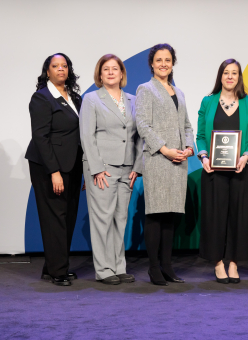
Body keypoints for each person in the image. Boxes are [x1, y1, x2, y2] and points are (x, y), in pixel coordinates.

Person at [196, 59, 248, 284]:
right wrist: (203, 156)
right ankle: (217, 263)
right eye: (226, 73)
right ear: (220, 76)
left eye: (234, 73)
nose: (230, 77)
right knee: (214, 218)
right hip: (213, 171)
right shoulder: (208, 102)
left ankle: (233, 262)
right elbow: (200, 137)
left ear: (239, 77)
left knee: (239, 217)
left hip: (240, 170)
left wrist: (246, 156)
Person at [80, 54, 143, 285]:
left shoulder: (133, 100)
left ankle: (118, 266)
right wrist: (95, 169)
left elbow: (139, 137)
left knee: (120, 219)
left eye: (114, 68)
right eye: (105, 69)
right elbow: (87, 135)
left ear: (122, 73)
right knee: (103, 219)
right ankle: (104, 269)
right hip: (103, 168)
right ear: (100, 73)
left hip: (128, 168)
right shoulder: (92, 99)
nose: (110, 72)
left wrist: (138, 166)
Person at [135, 44, 194, 285]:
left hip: (179, 161)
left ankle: (167, 266)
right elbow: (142, 124)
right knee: (156, 215)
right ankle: (153, 268)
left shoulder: (178, 92)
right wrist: (165, 149)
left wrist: (189, 148)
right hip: (159, 159)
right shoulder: (145, 89)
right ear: (152, 63)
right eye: (158, 60)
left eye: (167, 60)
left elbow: (187, 125)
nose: (163, 64)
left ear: (172, 63)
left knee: (170, 216)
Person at [25, 53, 83, 286]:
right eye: (55, 66)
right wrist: (54, 171)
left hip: (73, 164)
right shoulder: (41, 98)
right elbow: (40, 136)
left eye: (64, 66)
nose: (61, 69)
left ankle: (53, 266)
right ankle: (58, 270)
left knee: (68, 216)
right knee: (55, 217)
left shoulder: (75, 98)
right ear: (47, 72)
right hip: (48, 166)